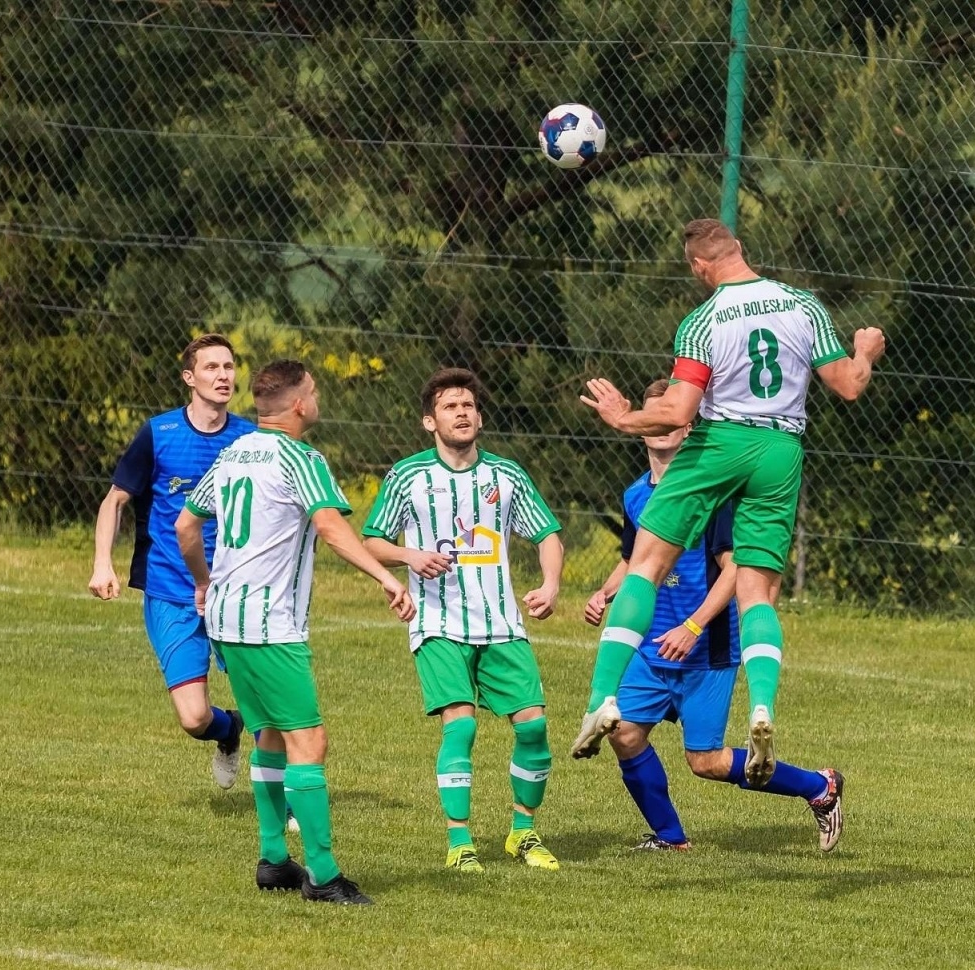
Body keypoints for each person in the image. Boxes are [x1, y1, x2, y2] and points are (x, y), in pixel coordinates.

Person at [575, 218, 886, 786]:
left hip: (721, 443)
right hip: (779, 447)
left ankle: (601, 697)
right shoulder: (802, 304)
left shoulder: (702, 321)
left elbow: (675, 413)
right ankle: (762, 708)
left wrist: (622, 417)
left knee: (646, 562)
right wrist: (864, 349)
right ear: (739, 249)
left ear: (699, 267)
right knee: (758, 590)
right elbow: (848, 384)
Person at [176, 360, 414, 905]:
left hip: (228, 620)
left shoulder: (233, 453)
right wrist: (384, 575)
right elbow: (330, 527)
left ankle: (274, 860)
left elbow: (186, 525)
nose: (317, 397)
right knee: (310, 741)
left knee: (271, 736)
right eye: (314, 390)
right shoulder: (301, 457)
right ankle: (325, 876)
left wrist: (204, 582)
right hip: (268, 625)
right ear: (300, 404)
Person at [586, 381, 844, 852]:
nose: (661, 425)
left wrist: (694, 625)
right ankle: (670, 837)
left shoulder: (713, 493)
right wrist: (605, 594)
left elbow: (737, 570)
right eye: (653, 415)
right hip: (649, 647)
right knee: (623, 734)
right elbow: (634, 561)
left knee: (705, 761)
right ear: (646, 428)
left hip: (705, 648)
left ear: (687, 426)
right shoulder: (635, 496)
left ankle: (819, 787)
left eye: (671, 414)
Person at [361, 367, 566, 873]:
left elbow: (547, 535)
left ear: (480, 416)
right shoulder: (409, 476)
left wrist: (551, 583)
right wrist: (410, 557)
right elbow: (371, 541)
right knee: (461, 728)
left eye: (469, 405)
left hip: (500, 622)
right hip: (437, 622)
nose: (462, 413)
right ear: (429, 421)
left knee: (535, 727)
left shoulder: (507, 474)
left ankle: (522, 831)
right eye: (451, 406)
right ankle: (460, 842)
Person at [89, 334, 253, 788]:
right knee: (194, 717)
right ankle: (229, 729)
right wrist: (103, 562)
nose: (223, 376)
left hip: (233, 592)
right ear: (189, 377)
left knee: (267, 705)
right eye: (211, 368)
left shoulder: (249, 439)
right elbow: (115, 499)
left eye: (229, 366)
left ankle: (294, 806)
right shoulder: (158, 434)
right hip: (170, 591)